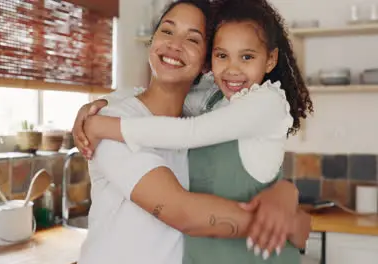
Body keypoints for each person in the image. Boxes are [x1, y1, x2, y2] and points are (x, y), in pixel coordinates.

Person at [76, 1, 311, 264]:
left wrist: (284, 192)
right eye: (167, 31)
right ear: (152, 41)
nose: (174, 45)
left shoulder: (200, 118)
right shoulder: (112, 122)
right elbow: (183, 213)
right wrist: (286, 224)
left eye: (193, 39)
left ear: (205, 62)